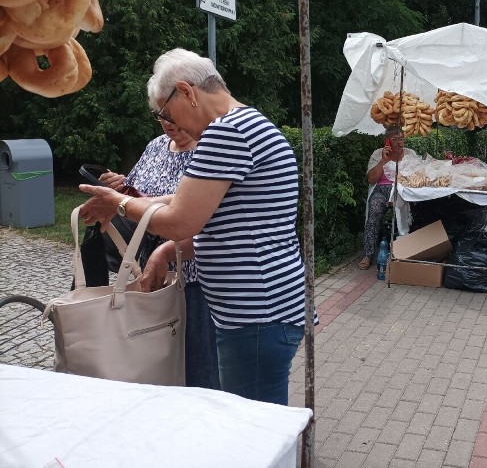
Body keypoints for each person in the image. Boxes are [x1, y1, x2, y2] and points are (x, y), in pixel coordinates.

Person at [79, 48, 313, 406]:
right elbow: (221, 219)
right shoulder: (250, 124)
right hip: (269, 310)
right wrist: (167, 250)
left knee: (250, 436)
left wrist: (121, 204)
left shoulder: (225, 133)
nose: (175, 127)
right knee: (258, 424)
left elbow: (181, 219)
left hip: (255, 316)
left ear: (187, 92)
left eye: (169, 114)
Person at [97, 118, 220, 390]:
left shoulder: (210, 152)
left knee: (201, 372)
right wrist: (121, 189)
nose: (169, 124)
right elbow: (138, 198)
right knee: (158, 364)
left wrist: (167, 250)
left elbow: (211, 220)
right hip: (155, 278)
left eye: (174, 116)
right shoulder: (155, 147)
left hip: (197, 281)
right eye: (162, 117)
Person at [361, 126, 416, 270]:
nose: (399, 143)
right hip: (381, 190)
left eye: (402, 139)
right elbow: (372, 180)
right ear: (387, 141)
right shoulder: (378, 154)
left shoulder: (410, 154)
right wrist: (383, 161)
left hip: (402, 190)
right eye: (395, 139)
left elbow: (417, 176)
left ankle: (406, 251)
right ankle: (368, 254)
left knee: (407, 212)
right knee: (374, 211)